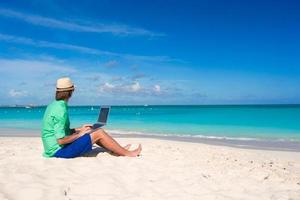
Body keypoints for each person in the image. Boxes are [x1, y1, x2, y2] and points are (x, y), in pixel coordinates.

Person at [41, 77, 142, 158]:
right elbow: (61, 140)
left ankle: (118, 150)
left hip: (52, 148)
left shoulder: (54, 105)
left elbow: (59, 131)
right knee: (98, 132)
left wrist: (79, 129)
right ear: (71, 91)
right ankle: (128, 154)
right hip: (58, 151)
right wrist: (79, 134)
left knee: (91, 130)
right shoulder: (60, 109)